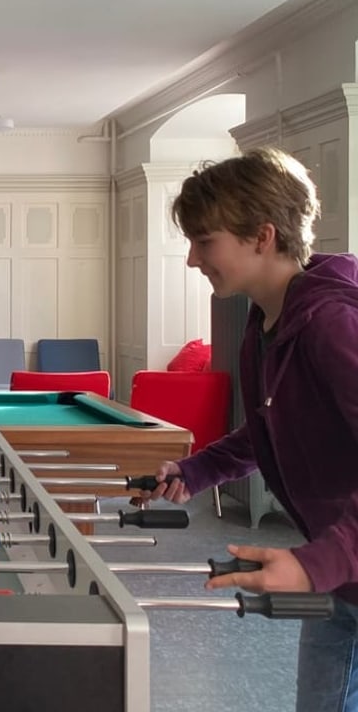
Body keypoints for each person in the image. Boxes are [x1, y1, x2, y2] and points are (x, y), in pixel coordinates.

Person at [142, 147, 358, 712]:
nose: (192, 259)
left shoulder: (331, 325)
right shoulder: (265, 322)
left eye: (205, 241)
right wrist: (198, 470)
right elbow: (272, 424)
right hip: (343, 569)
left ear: (262, 237)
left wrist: (316, 563)